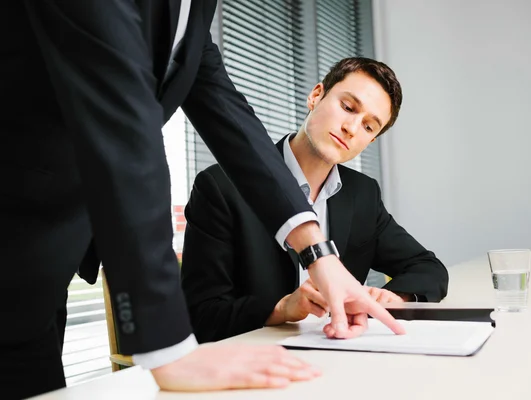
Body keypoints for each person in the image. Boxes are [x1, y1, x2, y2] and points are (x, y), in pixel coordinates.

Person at [0, 2, 402, 399]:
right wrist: (170, 350)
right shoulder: (216, 190)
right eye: (348, 107)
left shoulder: (193, 11)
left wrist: (318, 253)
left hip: (36, 268)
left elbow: (226, 111)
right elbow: (125, 126)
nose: (352, 128)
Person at [181, 57, 449, 343]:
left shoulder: (362, 193)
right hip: (257, 359)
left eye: (369, 127)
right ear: (316, 95)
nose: (352, 128)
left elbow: (428, 268)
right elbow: (201, 317)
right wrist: (282, 308)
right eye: (348, 107)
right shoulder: (221, 187)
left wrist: (394, 296)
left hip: (340, 352)